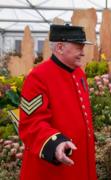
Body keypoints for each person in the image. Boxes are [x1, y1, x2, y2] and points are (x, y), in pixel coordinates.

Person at [19, 24, 96, 180]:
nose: (83, 53)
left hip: (79, 163)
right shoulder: (38, 77)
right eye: (78, 47)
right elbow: (31, 122)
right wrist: (55, 143)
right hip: (53, 168)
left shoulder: (79, 73)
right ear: (60, 47)